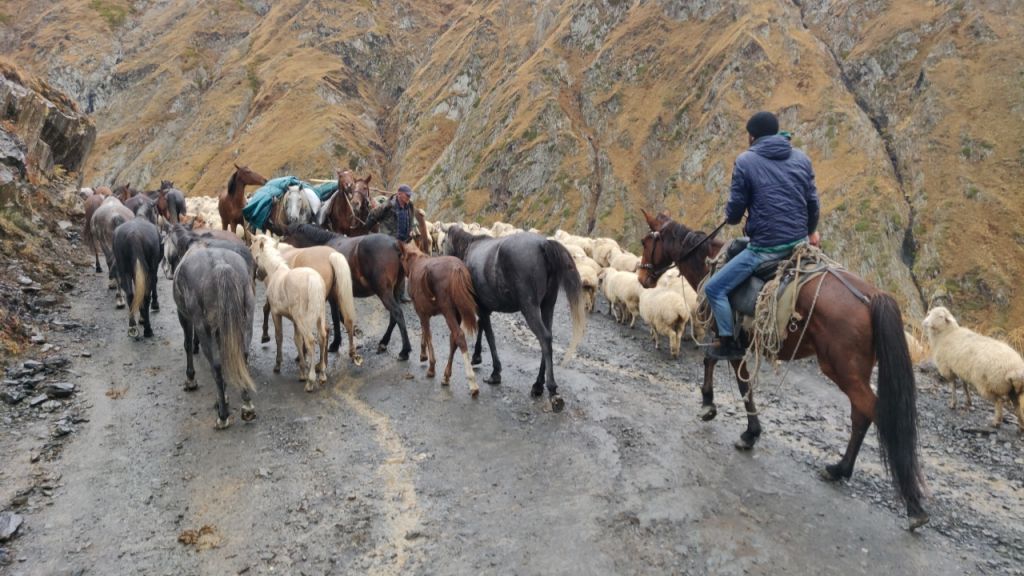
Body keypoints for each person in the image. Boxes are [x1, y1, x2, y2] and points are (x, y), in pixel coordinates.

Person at [704, 111, 820, 360]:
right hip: (799, 243)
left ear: (752, 136)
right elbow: (813, 203)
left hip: (765, 249)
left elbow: (734, 213)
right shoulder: (802, 158)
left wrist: (733, 214)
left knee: (714, 288)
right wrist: (810, 232)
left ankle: (727, 342)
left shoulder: (745, 161)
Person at [366, 184, 417, 302]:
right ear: (399, 194)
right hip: (389, 242)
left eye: (410, 195)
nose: (409, 197)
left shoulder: (410, 205)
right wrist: (367, 229)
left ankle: (400, 295)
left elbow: (412, 217)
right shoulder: (388, 206)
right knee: (388, 269)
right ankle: (388, 296)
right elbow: (373, 215)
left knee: (402, 268)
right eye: (407, 195)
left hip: (404, 241)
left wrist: (412, 228)